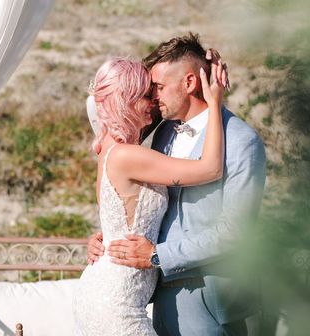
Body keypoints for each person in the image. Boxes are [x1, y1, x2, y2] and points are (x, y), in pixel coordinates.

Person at [88, 33, 267, 335]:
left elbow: (236, 231)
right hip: (160, 297)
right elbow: (137, 198)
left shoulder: (241, 141)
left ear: (189, 83)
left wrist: (158, 256)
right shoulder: (162, 134)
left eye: (158, 87)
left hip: (211, 299)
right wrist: (110, 237)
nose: (153, 97)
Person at [73, 55, 228, 336]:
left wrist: (101, 239)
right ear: (126, 101)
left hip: (105, 295)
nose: (154, 101)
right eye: (146, 95)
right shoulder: (126, 155)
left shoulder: (108, 149)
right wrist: (215, 103)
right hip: (116, 306)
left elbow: (118, 217)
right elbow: (211, 168)